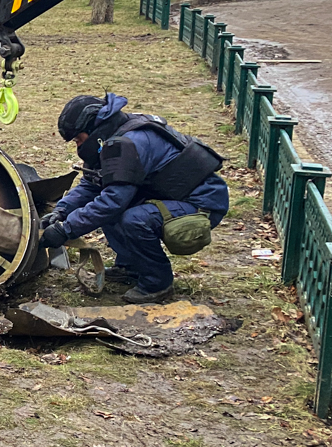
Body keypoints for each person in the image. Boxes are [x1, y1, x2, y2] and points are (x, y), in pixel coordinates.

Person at [41, 92, 229, 303]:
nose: (78, 146)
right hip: (173, 196)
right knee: (111, 210)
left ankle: (157, 283)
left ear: (92, 130)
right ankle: (131, 267)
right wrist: (62, 210)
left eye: (78, 139)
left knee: (133, 219)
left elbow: (113, 201)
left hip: (201, 204)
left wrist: (66, 230)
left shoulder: (126, 144)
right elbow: (92, 184)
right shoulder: (113, 136)